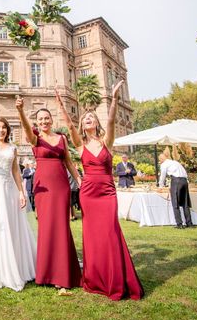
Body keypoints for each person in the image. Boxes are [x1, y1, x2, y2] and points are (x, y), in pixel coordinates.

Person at [58, 83, 144, 301]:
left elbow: (112, 121)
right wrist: (61, 105)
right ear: (82, 124)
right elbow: (68, 126)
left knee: (110, 233)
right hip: (88, 193)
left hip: (106, 193)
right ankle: (95, 278)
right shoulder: (79, 145)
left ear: (96, 123)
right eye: (85, 118)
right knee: (93, 236)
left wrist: (114, 99)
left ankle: (115, 277)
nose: (88, 120)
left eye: (91, 118)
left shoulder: (107, 142)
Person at [16, 94, 82, 291]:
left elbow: (68, 161)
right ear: (37, 122)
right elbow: (27, 130)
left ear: (52, 120)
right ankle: (46, 273)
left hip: (61, 184)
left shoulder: (61, 138)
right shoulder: (35, 138)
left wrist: (79, 179)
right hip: (43, 185)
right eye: (40, 119)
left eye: (47, 118)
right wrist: (20, 111)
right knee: (46, 226)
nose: (44, 121)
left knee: (62, 225)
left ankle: (63, 272)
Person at [0, 85, 36, 291]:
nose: (0, 130)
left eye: (3, 128)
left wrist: (21, 192)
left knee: (9, 225)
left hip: (8, 188)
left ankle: (13, 266)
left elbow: (16, 173)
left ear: (7, 131)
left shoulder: (13, 148)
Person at [158, 153, 193, 229]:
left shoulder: (164, 164)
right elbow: (185, 173)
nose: (159, 161)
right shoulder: (175, 162)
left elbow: (162, 175)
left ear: (162, 159)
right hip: (184, 181)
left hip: (176, 181)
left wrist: (160, 186)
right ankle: (189, 223)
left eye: (160, 159)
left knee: (175, 203)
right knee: (185, 203)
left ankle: (179, 224)